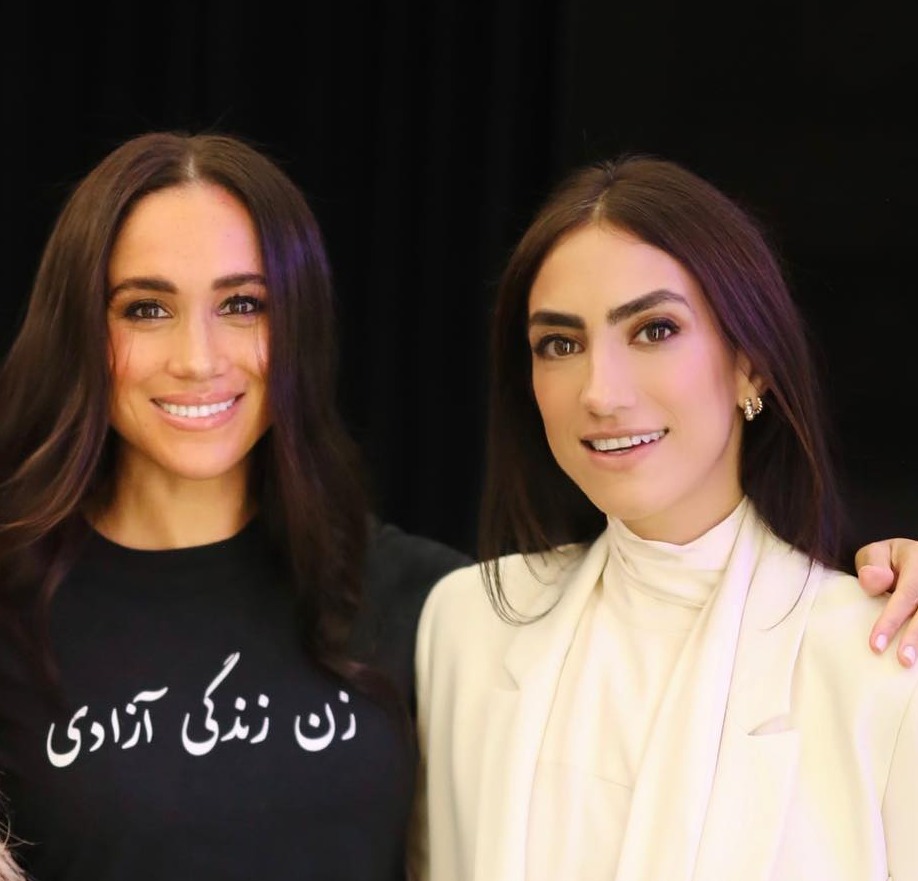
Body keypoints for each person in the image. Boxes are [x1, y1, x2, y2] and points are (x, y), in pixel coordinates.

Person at [410, 155, 918, 880]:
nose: (601, 391)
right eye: (561, 343)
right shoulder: (465, 625)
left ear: (752, 363)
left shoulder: (881, 663)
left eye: (653, 330)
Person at [0, 131, 469, 881]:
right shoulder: (11, 607)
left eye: (243, 304)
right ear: (81, 330)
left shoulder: (428, 602)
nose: (198, 357)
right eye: (147, 309)